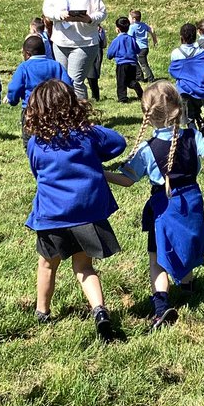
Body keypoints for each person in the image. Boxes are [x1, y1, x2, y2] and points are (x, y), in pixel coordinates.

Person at [106, 81, 204, 329]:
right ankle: (188, 285)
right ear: (179, 108)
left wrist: (103, 174)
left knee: (157, 256)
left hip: (165, 205)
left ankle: (161, 305)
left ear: (147, 115)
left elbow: (127, 180)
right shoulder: (193, 135)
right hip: (191, 200)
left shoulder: (148, 150)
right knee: (187, 241)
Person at [24, 79, 126, 340]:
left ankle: (42, 312)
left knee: (47, 265)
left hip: (53, 214)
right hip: (86, 212)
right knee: (84, 267)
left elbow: (36, 171)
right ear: (72, 104)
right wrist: (90, 139)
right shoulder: (88, 134)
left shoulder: (36, 143)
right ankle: (100, 311)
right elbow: (118, 142)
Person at [41, 0, 107, 100]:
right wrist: (59, 15)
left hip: (85, 42)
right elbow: (47, 9)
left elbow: (102, 12)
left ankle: (83, 118)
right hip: (61, 42)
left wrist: (89, 19)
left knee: (75, 80)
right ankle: (67, 116)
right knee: (63, 82)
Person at [6, 36, 71, 140]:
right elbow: (68, 86)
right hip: (53, 109)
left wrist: (12, 100)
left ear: (27, 53)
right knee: (54, 136)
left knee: (30, 139)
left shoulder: (24, 67)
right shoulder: (56, 65)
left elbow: (14, 88)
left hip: (31, 109)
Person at [168, 23, 204, 134]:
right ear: (195, 37)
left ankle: (195, 137)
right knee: (196, 108)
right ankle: (201, 122)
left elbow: (173, 71)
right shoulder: (201, 52)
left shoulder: (175, 53)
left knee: (187, 116)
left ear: (181, 37)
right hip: (198, 88)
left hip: (184, 89)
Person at [106, 17, 143, 103]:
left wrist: (111, 56)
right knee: (131, 81)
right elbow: (137, 50)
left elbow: (110, 54)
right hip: (133, 64)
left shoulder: (117, 40)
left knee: (121, 82)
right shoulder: (131, 39)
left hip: (122, 64)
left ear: (117, 29)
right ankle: (139, 91)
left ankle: (122, 98)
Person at [129, 10, 157, 83]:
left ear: (134, 19)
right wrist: (154, 40)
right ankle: (139, 77)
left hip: (139, 48)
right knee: (135, 61)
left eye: (129, 18)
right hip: (145, 47)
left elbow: (129, 37)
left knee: (144, 64)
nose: (128, 19)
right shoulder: (143, 25)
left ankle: (151, 79)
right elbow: (151, 30)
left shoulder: (132, 27)